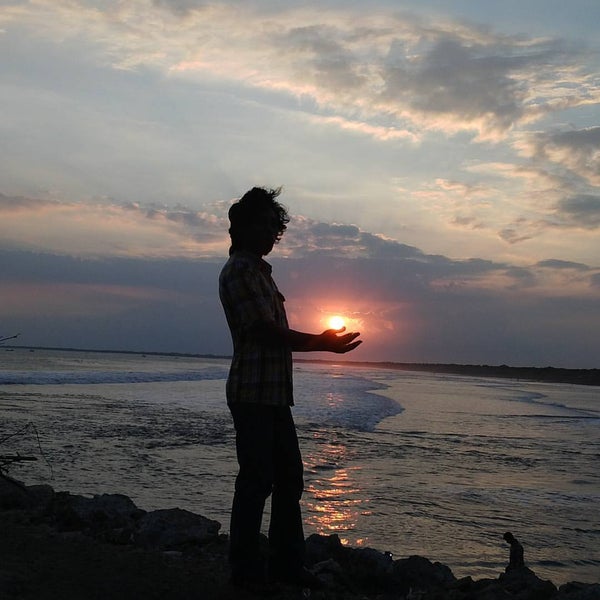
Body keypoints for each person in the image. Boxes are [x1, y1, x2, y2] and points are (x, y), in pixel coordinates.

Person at [218, 186, 362, 591]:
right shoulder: (240, 271)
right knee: (256, 482)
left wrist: (320, 343)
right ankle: (246, 573)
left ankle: (285, 565)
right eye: (263, 225)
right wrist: (320, 342)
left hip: (274, 395)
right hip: (252, 393)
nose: (270, 233)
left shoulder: (260, 272)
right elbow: (263, 331)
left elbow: (271, 332)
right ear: (242, 227)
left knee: (288, 479)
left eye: (273, 227)